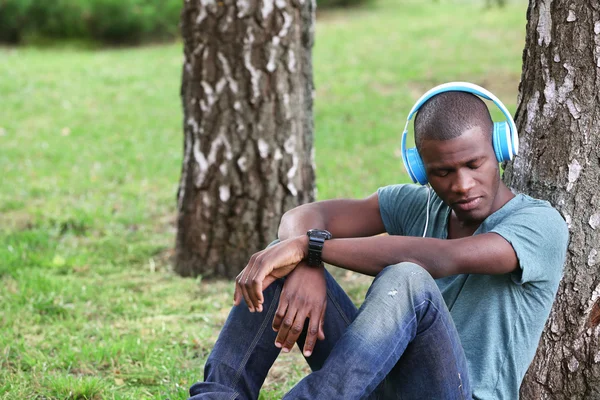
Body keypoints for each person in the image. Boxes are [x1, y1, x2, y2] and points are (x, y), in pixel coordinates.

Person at [188, 83, 569, 399]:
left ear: (500, 150)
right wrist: (304, 262)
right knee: (278, 259)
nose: (462, 184)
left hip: (456, 393)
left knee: (407, 277)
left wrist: (312, 248)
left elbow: (445, 258)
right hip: (371, 383)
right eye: (443, 172)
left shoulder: (538, 224)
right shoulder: (419, 205)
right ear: (419, 169)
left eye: (474, 164)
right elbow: (303, 217)